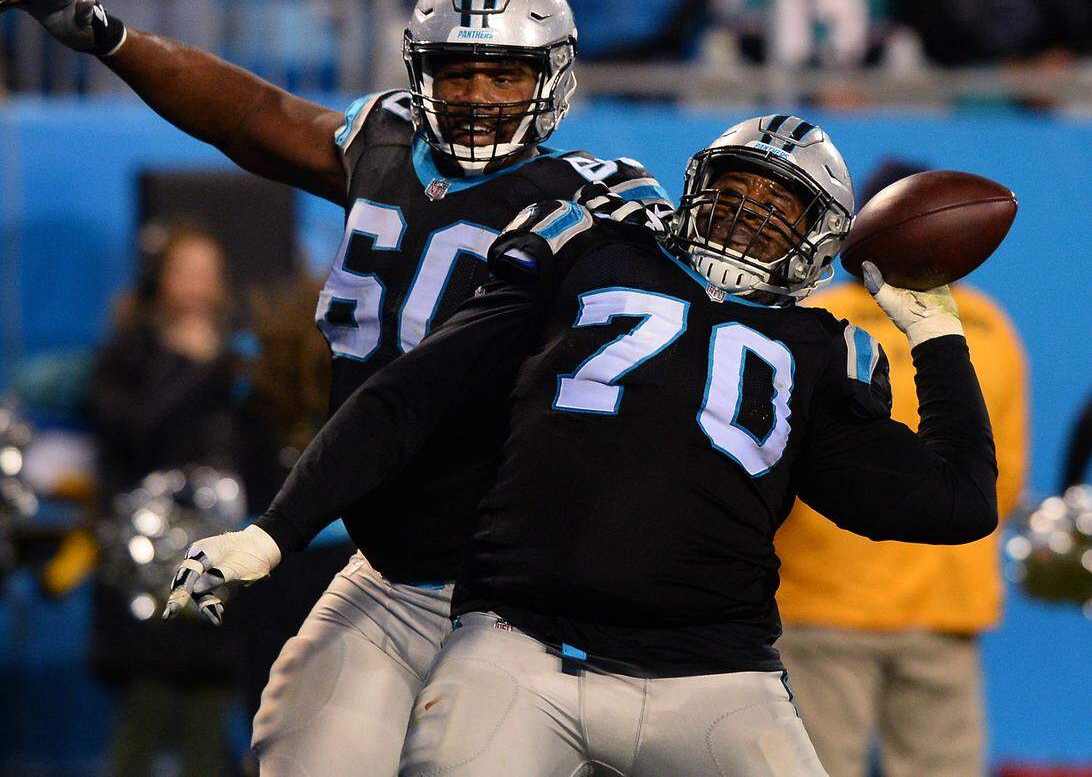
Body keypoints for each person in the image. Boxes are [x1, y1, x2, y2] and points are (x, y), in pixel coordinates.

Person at [0, 0, 669, 775]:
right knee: (297, 755)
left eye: (505, 73)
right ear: (423, 71)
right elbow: (250, 116)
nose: (482, 97)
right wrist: (116, 41)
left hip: (522, 592)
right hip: (388, 573)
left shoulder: (591, 202)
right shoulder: (383, 143)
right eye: (460, 72)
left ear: (551, 77)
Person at [172, 115, 998, 775]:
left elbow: (955, 504)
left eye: (779, 207)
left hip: (715, 678)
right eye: (734, 191)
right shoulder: (592, 253)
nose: (748, 215)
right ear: (692, 188)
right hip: (524, 649)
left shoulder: (825, 348)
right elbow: (411, 394)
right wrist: (273, 531)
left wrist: (937, 340)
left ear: (816, 242)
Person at [772, 159, 1028, 777]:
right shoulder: (989, 327)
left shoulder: (812, 322)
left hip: (821, 600)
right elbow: (1005, 477)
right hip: (945, 601)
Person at [88, 222, 242, 776]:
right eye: (187, 273)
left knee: (210, 710)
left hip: (220, 553)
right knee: (145, 707)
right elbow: (129, 433)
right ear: (160, 280)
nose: (200, 287)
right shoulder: (128, 352)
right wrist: (196, 367)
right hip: (143, 562)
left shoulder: (242, 354)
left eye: (211, 275)